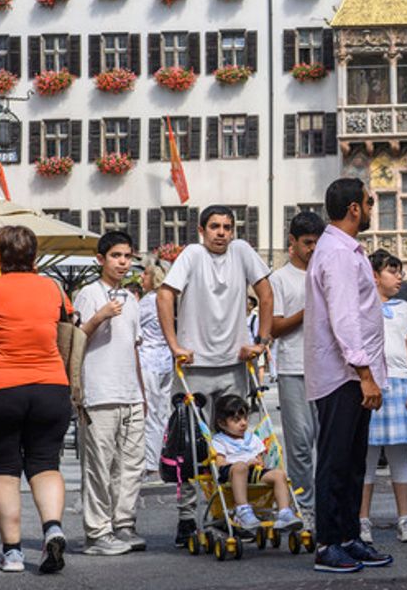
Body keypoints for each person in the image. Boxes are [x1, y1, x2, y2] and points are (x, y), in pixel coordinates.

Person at [157, 205, 274, 548]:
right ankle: (186, 517)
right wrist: (174, 344)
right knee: (189, 447)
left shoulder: (241, 252)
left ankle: (231, 511)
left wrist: (262, 342)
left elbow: (266, 293)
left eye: (227, 227)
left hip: (234, 366)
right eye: (214, 227)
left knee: (234, 443)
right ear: (201, 229)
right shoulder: (192, 254)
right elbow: (165, 294)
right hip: (194, 368)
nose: (221, 232)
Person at [304, 177, 391, 573]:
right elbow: (344, 319)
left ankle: (348, 536)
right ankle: (327, 543)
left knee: (354, 461)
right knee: (336, 461)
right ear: (355, 208)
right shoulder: (337, 253)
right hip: (344, 375)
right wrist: (365, 373)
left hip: (353, 373)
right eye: (369, 202)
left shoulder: (344, 249)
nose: (372, 209)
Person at [0, 225, 72, 573]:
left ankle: (13, 553)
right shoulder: (52, 287)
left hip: (1, 386)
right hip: (50, 385)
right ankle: (53, 528)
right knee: (46, 463)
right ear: (34, 256)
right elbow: (65, 320)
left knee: (4, 468)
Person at [74, 231, 147, 556]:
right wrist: (98, 317)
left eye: (127, 256)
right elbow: (75, 341)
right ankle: (97, 531)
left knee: (131, 464)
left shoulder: (131, 299)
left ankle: (123, 523)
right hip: (99, 392)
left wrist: (142, 393)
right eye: (116, 256)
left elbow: (134, 348)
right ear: (101, 259)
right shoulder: (88, 294)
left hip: (130, 391)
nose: (122, 262)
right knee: (99, 465)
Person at [359, 250, 407, 545]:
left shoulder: (405, 308)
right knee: (366, 457)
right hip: (371, 385)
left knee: (400, 455)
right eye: (392, 271)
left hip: (400, 384)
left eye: (400, 272)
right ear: (374, 275)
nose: (399, 277)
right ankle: (361, 519)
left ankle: (405, 517)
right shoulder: (360, 305)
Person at [268, 211, 326, 532]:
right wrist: (308, 311)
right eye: (307, 243)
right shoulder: (280, 278)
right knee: (300, 443)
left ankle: (327, 506)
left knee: (327, 443)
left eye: (318, 243)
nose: (313, 249)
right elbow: (274, 327)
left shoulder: (326, 274)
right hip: (293, 367)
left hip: (327, 367)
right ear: (292, 243)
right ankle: (304, 507)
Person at [210, 394, 302, 537]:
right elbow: (220, 463)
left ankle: (284, 513)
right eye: (236, 420)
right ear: (222, 423)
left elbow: (260, 460)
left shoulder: (252, 438)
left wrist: (257, 462)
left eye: (245, 418)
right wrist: (244, 464)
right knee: (240, 467)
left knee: (279, 474)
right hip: (231, 473)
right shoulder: (219, 440)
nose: (243, 423)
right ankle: (243, 510)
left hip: (254, 472)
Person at [137, 261, 172, 484]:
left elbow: (133, 327)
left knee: (149, 414)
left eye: (146, 274)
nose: (142, 278)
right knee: (161, 413)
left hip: (148, 360)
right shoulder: (168, 299)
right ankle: (159, 459)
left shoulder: (149, 301)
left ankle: (151, 465)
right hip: (166, 359)